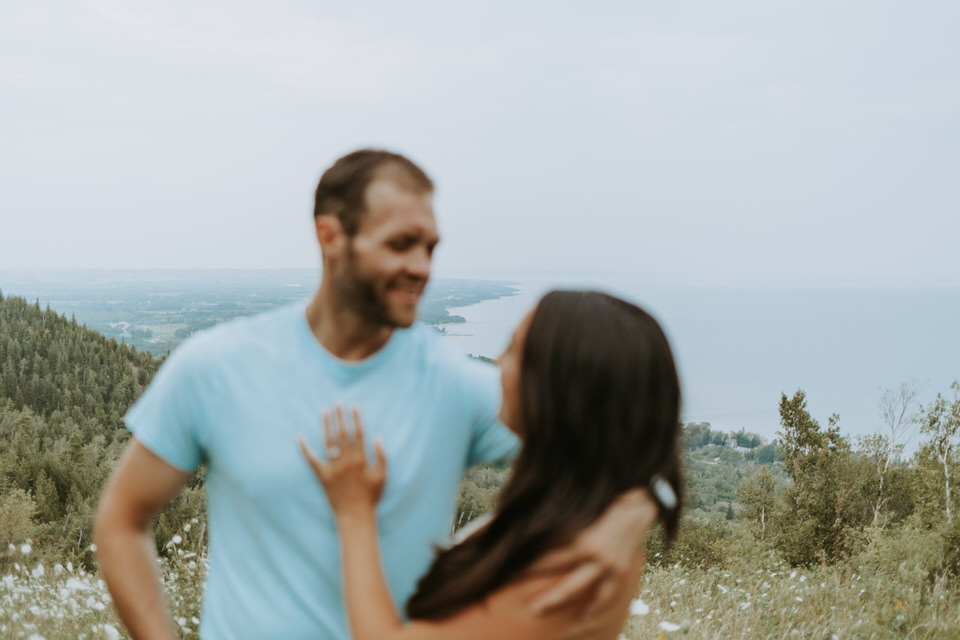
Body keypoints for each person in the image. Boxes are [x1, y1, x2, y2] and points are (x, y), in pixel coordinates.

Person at [94, 150, 655, 639]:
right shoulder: (215, 368)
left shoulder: (454, 383)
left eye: (430, 247)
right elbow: (121, 521)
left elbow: (610, 443)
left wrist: (628, 521)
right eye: (401, 244)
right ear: (330, 235)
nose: (422, 268)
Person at [301, 290, 683, 640]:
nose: (498, 361)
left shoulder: (561, 571)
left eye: (513, 349)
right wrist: (648, 502)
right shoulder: (591, 521)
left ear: (555, 390)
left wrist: (354, 512)